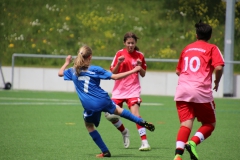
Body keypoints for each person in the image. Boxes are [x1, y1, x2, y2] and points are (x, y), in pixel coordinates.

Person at [58, 45, 155, 158]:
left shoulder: (73, 71)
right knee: (119, 110)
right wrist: (134, 70)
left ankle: (105, 151)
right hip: (103, 99)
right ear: (90, 57)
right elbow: (115, 76)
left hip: (90, 105)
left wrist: (66, 62)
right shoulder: (95, 69)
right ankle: (140, 121)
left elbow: (60, 73)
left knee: (89, 126)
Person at [173, 21, 224, 160]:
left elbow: (178, 71)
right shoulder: (212, 48)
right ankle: (192, 143)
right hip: (200, 91)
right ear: (210, 35)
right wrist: (216, 81)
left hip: (182, 90)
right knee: (210, 124)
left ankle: (178, 155)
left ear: (196, 35)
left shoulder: (187, 48)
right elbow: (219, 67)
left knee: (185, 124)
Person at [105, 32, 151, 151]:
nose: (130, 45)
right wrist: (119, 62)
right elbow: (113, 73)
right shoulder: (119, 54)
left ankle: (145, 142)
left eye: (133, 43)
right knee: (109, 115)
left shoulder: (140, 55)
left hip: (133, 90)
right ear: (124, 43)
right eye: (128, 43)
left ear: (136, 43)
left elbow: (143, 74)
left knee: (136, 115)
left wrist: (140, 67)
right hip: (119, 91)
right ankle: (124, 132)